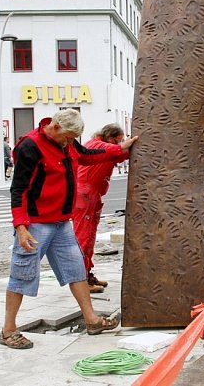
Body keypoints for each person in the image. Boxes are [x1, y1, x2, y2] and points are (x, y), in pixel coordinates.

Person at [1, 109, 138, 349]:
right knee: (23, 274)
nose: (70, 142)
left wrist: (120, 148)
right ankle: (8, 330)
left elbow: (89, 155)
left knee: (76, 270)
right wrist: (21, 228)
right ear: (54, 127)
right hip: (36, 223)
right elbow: (18, 190)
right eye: (67, 137)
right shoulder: (30, 147)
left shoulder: (68, 142)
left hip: (61, 222)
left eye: (73, 138)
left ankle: (92, 320)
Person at [73, 124, 132, 294]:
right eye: (117, 140)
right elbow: (116, 150)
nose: (118, 144)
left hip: (91, 195)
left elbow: (121, 154)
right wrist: (129, 142)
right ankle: (81, 279)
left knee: (89, 237)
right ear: (108, 136)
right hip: (84, 195)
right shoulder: (97, 145)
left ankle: (86, 274)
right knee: (83, 237)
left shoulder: (105, 146)